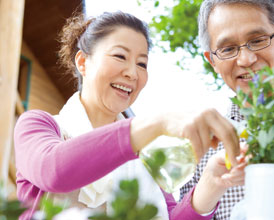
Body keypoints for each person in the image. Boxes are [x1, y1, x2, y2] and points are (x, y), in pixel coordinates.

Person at [14, 11, 247, 220]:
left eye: (142, 64)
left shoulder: (145, 155)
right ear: (83, 62)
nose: (132, 73)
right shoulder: (39, 125)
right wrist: (159, 122)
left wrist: (212, 183)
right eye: (120, 56)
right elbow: (54, 170)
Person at [180, 1, 274, 220]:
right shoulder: (199, 149)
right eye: (228, 48)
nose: (246, 59)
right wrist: (203, 198)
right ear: (212, 60)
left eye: (258, 40)